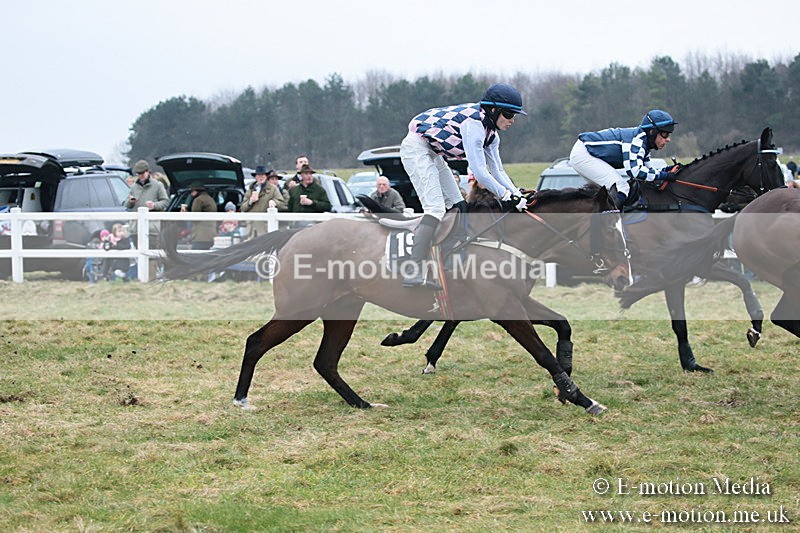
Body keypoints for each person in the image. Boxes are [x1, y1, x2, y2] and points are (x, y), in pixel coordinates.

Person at [399, 83, 528, 288]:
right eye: (509, 114)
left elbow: (498, 171)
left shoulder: (492, 134)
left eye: (515, 116)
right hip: (416, 147)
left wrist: (517, 195)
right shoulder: (473, 125)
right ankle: (412, 271)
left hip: (434, 152)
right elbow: (480, 173)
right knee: (435, 208)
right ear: (493, 110)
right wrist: (505, 196)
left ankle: (451, 260)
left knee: (459, 205)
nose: (512, 120)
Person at [569, 109, 680, 208]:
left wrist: (666, 170)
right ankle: (612, 224)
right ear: (652, 132)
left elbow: (648, 170)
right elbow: (635, 171)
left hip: (585, 152)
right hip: (583, 154)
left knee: (604, 194)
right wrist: (665, 175)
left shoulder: (645, 145)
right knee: (621, 187)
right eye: (665, 134)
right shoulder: (637, 140)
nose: (668, 139)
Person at [125, 159, 169, 241]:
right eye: (138, 173)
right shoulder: (134, 187)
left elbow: (165, 202)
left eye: (142, 173)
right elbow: (126, 205)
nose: (140, 175)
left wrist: (154, 205)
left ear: (148, 171)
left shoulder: (158, 185)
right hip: (135, 229)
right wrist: (130, 201)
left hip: (151, 229)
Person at [240, 165, 288, 238]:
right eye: (259, 175)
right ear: (255, 177)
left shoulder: (273, 189)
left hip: (266, 228)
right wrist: (250, 201)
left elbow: (283, 204)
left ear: (266, 176)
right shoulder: (250, 190)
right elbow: (243, 208)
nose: (261, 177)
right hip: (252, 229)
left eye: (263, 175)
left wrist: (274, 202)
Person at [187, 182, 217, 250]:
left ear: (196, 191)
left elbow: (195, 217)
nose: (191, 193)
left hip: (200, 236)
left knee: (195, 256)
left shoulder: (198, 200)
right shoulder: (210, 199)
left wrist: (185, 213)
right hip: (211, 234)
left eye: (191, 191)